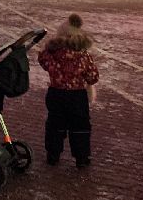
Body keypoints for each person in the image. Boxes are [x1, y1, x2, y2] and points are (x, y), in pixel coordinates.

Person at [38, 13, 99, 167]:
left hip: (56, 93)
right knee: (80, 126)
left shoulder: (52, 54)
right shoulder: (83, 56)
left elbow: (43, 61)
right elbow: (93, 77)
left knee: (54, 124)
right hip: (77, 96)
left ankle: (53, 154)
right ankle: (82, 158)